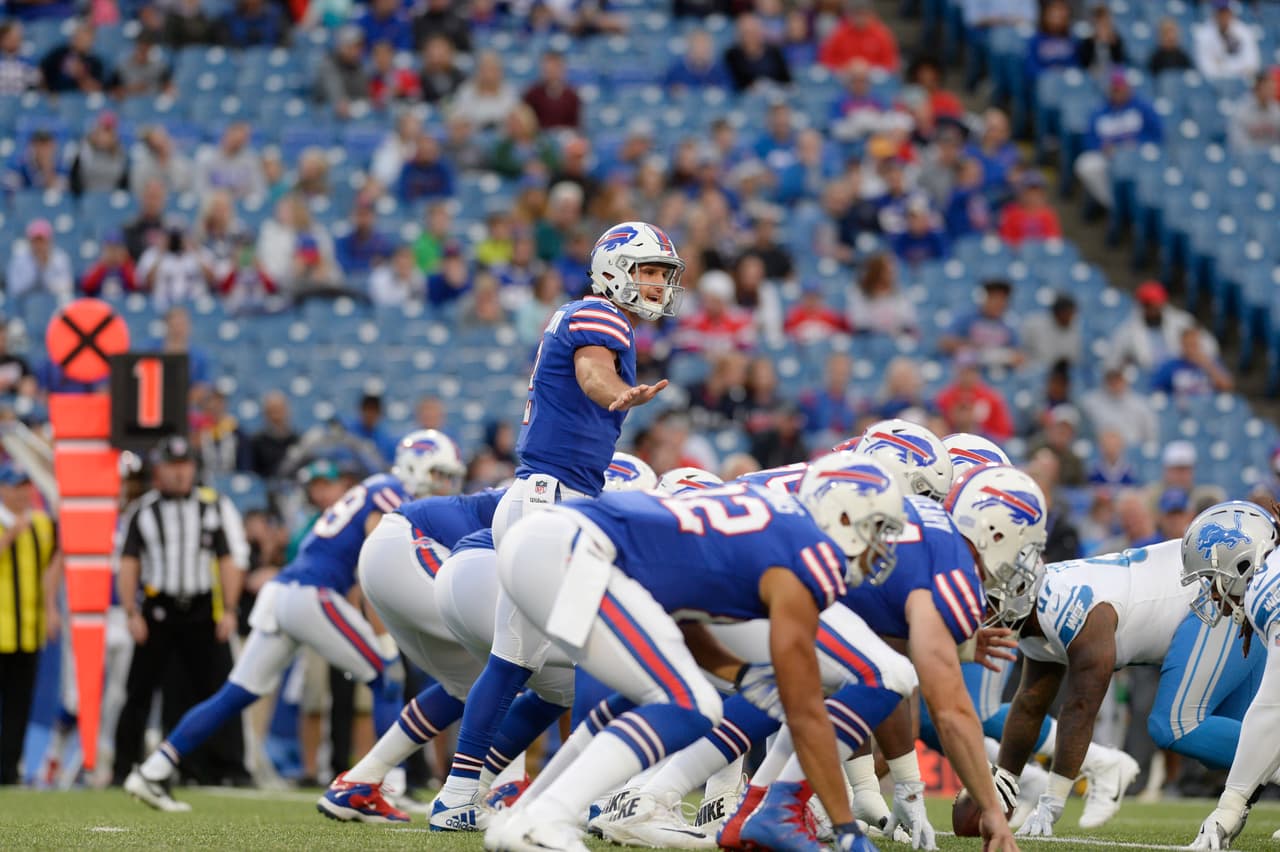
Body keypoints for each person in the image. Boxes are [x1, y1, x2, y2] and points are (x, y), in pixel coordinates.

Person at [486, 455, 908, 852]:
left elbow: (682, 618)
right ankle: (547, 818)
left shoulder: (772, 527)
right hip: (574, 549)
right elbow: (806, 712)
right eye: (879, 527)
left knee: (651, 695)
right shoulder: (808, 554)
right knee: (691, 703)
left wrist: (739, 674)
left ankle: (523, 816)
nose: (883, 546)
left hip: (546, 542)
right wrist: (845, 825)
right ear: (845, 516)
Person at [428, 221, 684, 831]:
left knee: (513, 659)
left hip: (538, 496)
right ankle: (594, 802)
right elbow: (595, 373)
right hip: (556, 504)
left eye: (660, 274)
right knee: (598, 651)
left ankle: (458, 797)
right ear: (615, 268)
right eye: (647, 270)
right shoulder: (602, 317)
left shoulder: (583, 315)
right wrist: (617, 394)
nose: (655, 284)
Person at [123, 434, 446, 811]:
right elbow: (371, 568)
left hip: (282, 592)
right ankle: (390, 789)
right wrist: (385, 639)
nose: (443, 483)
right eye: (439, 472)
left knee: (235, 694)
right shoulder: (390, 494)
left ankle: (153, 770)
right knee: (385, 676)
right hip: (311, 592)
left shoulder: (373, 486)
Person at [995, 527, 1265, 838]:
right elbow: (1030, 703)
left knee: (1177, 725)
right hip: (1208, 595)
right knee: (1233, 740)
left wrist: (1051, 803)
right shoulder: (1039, 609)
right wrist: (1002, 785)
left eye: (991, 600)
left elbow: (1081, 706)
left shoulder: (1074, 609)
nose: (985, 611)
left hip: (1216, 596)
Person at [114, 436, 249, 790]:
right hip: (158, 610)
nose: (179, 473)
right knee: (139, 691)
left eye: (184, 465)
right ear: (159, 470)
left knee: (222, 690)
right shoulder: (143, 510)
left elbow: (229, 560)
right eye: (172, 466)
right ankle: (123, 766)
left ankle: (228, 767)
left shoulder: (214, 506)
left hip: (204, 610)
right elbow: (128, 563)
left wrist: (230, 610)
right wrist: (132, 611)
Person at [1182, 502, 1280, 849]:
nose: (1211, 592)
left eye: (1212, 579)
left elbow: (1272, 709)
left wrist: (1230, 805)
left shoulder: (1268, 588)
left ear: (1241, 564)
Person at [0, 463, 61, 785]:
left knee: (19, 705)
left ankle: (9, 770)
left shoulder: (40, 523)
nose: (24, 492)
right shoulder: (15, 524)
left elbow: (55, 561)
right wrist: (11, 534)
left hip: (28, 630)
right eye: (16, 486)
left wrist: (51, 606)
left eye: (27, 486)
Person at [1074, 70, 1163, 209]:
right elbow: (1089, 140)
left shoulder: (1142, 107)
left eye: (1121, 88)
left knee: (1153, 157)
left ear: (1128, 88)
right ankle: (1117, 204)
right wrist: (1102, 148)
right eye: (1115, 89)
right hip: (1110, 157)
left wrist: (1137, 143)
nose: (1118, 92)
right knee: (1086, 164)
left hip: (1137, 154)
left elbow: (1157, 134)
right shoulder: (1099, 111)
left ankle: (1143, 203)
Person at [1108, 280, 1208, 372]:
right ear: (1143, 306)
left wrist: (1192, 353)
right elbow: (1112, 364)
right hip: (1147, 380)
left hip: (1180, 375)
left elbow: (1210, 347)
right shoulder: (1127, 330)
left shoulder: (1182, 321)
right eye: (1151, 306)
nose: (1156, 310)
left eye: (1158, 306)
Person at [1151, 325, 1234, 400]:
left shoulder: (1211, 362)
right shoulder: (1170, 365)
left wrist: (1207, 365)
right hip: (1181, 410)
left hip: (1208, 409)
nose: (1191, 349)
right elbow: (1155, 390)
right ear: (1181, 345)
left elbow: (1227, 387)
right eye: (1188, 345)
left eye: (1194, 345)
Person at [818, 0, 899, 73]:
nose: (860, 18)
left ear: (871, 14)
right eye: (856, 14)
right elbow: (826, 61)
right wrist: (845, 67)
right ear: (849, 15)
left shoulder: (882, 34)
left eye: (863, 14)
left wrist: (867, 68)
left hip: (872, 79)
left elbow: (890, 64)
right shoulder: (838, 33)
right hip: (844, 77)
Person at [7, 218, 74, 302]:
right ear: (30, 241)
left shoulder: (60, 258)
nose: (39, 245)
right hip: (25, 305)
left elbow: (67, 286)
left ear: (49, 241)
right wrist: (38, 268)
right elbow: (14, 289)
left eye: (42, 240)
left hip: (54, 303)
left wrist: (45, 270)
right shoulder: (19, 260)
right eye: (35, 241)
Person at [1193, 0, 1260, 83]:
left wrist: (1223, 66)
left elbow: (1252, 63)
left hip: (1242, 83)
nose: (1223, 16)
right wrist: (1237, 69)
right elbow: (1206, 69)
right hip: (1215, 85)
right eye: (1220, 12)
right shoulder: (1203, 34)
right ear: (1214, 13)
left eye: (1226, 12)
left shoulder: (1244, 31)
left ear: (1231, 12)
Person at [312, 25, 369, 120]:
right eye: (351, 46)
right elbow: (337, 98)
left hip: (352, 114)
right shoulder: (329, 64)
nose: (355, 51)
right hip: (324, 116)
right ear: (341, 47)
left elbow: (363, 95)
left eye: (358, 46)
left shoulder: (359, 66)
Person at [723, 13, 790, 91]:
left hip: (776, 94)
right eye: (746, 32)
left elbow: (787, 81)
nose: (750, 36)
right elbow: (733, 85)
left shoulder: (774, 51)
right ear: (739, 34)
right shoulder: (731, 55)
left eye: (754, 31)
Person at [69, 111, 129, 196]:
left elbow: (124, 184)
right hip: (87, 198)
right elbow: (74, 181)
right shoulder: (83, 151)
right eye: (104, 129)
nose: (105, 135)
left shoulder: (121, 154)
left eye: (109, 130)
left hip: (111, 199)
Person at [39, 19, 106, 93]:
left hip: (80, 99)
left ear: (92, 40)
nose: (79, 38)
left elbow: (96, 90)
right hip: (56, 96)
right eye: (78, 34)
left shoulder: (95, 62)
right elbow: (42, 73)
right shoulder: (59, 53)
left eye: (85, 36)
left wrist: (81, 76)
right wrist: (47, 94)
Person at [998, 172, 1061, 246]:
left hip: (1042, 255)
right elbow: (1006, 240)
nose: (1033, 197)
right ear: (1021, 193)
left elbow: (1053, 241)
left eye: (1038, 193)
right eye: (1029, 192)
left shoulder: (1048, 214)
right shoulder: (1011, 213)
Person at [522, 50, 580, 130]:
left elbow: (575, 125)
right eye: (548, 67)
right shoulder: (532, 94)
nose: (551, 70)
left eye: (555, 66)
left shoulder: (572, 96)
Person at [247, 391, 297, 480]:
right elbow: (251, 474)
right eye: (272, 411)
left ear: (287, 411)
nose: (276, 416)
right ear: (265, 413)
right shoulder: (256, 442)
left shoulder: (297, 440)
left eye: (279, 410)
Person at [1021, 293, 1081, 368]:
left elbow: (1073, 358)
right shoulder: (1034, 325)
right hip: (1035, 370)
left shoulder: (1074, 325)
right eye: (1068, 313)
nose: (1071, 317)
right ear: (1058, 313)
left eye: (1072, 313)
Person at [1228, 71, 1280, 153]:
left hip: (1273, 157)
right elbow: (1238, 144)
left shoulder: (1276, 109)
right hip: (1249, 158)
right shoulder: (1241, 110)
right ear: (1257, 89)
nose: (1271, 91)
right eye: (1267, 88)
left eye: (1272, 88)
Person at [664, 28, 730, 91]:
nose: (700, 50)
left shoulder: (719, 71)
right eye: (697, 44)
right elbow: (664, 90)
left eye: (704, 45)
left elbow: (728, 92)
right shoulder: (676, 71)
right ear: (690, 46)